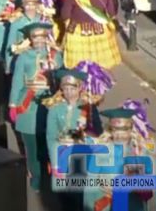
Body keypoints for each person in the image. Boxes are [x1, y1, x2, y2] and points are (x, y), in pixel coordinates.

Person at [9, 22, 63, 191]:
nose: (39, 40)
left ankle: (50, 174)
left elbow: (61, 82)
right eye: (35, 37)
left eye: (42, 36)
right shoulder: (23, 57)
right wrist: (12, 104)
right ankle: (36, 175)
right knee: (31, 147)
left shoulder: (55, 56)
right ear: (29, 39)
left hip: (50, 105)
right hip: (28, 105)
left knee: (49, 143)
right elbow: (17, 82)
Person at [44, 69, 102, 209]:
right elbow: (51, 137)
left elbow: (98, 132)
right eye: (65, 88)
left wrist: (87, 133)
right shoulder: (55, 109)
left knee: (78, 197)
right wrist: (56, 164)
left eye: (72, 88)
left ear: (80, 88)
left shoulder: (88, 108)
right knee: (63, 196)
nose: (69, 92)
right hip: (61, 156)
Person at [82, 108, 154, 211]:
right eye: (115, 129)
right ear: (110, 130)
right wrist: (102, 187)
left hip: (132, 204)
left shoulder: (140, 151)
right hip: (106, 203)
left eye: (124, 129)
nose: (119, 134)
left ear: (131, 129)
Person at [61, 0, 121, 69]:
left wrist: (65, 32)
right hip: (101, 32)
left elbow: (65, 14)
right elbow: (112, 12)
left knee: (78, 68)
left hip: (78, 34)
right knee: (101, 68)